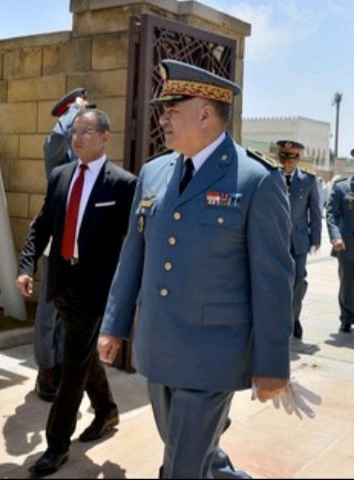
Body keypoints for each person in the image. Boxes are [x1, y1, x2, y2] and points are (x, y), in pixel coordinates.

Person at [97, 59, 294, 479]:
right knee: (181, 442)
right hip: (158, 343)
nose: (162, 119)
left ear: (205, 113)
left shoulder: (255, 179)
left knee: (181, 465)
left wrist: (272, 364)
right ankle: (219, 469)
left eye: (172, 109)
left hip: (213, 354)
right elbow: (134, 254)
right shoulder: (154, 172)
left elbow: (274, 281)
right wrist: (114, 324)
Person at [16, 109, 137, 477]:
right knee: (82, 354)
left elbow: (134, 243)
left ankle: (56, 445)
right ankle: (106, 410)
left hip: (94, 288)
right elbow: (42, 225)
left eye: (86, 131)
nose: (77, 138)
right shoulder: (61, 176)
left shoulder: (123, 185)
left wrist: (126, 293)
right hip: (61, 281)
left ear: (105, 137)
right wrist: (26, 266)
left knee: (71, 366)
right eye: (74, 131)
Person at [31, 87, 90, 402]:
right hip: (56, 248)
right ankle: (46, 369)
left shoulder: (89, 159)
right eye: (78, 121)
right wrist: (74, 109)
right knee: (49, 312)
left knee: (71, 313)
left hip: (81, 249)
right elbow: (54, 139)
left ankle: (63, 363)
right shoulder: (58, 157)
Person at [277, 139, 321, 340]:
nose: (288, 163)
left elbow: (315, 211)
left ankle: (294, 318)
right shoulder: (271, 177)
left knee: (298, 281)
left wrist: (316, 239)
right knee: (276, 280)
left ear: (298, 159)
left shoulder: (308, 180)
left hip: (299, 241)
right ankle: (277, 318)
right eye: (284, 158)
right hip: (276, 239)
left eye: (292, 159)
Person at [326, 174, 354, 333]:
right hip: (347, 245)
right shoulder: (341, 187)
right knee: (347, 284)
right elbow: (332, 214)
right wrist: (336, 237)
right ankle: (346, 317)